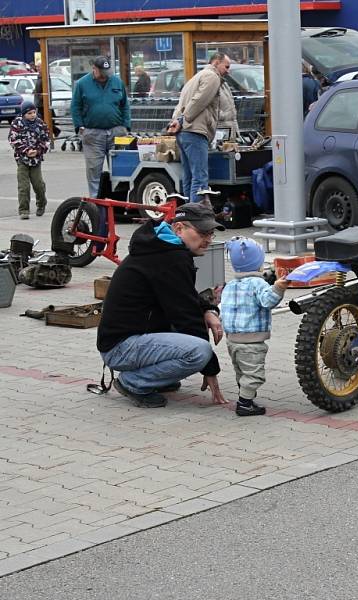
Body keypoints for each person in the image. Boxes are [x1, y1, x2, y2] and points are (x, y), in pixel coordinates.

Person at [96, 203, 227, 409]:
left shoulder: (163, 248)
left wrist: (208, 310)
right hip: (120, 347)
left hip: (125, 340)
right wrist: (209, 367)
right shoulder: (169, 257)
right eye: (202, 233)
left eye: (211, 233)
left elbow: (184, 297)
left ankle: (154, 378)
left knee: (194, 338)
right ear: (178, 229)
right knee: (199, 351)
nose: (208, 240)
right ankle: (133, 382)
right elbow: (186, 317)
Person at [220, 237, 288, 416]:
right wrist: (279, 288)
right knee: (254, 374)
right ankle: (244, 404)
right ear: (258, 265)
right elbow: (268, 301)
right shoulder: (258, 283)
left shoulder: (230, 286)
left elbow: (223, 310)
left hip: (232, 340)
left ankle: (246, 397)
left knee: (242, 371)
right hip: (251, 341)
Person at [167, 53, 231, 203]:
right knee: (200, 178)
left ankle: (188, 214)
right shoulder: (212, 77)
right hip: (195, 131)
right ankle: (196, 218)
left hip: (184, 133)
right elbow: (199, 101)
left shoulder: (196, 77)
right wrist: (184, 119)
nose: (228, 71)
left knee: (188, 176)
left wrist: (176, 121)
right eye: (226, 66)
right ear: (216, 62)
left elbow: (181, 103)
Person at [71, 56, 131, 197]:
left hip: (116, 132)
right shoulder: (82, 84)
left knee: (119, 170)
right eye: (102, 72)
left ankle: (119, 202)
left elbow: (125, 105)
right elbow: (75, 106)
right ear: (94, 69)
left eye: (107, 72)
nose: (105, 75)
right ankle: (96, 204)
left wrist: (126, 126)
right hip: (92, 133)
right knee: (94, 170)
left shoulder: (117, 82)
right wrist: (80, 127)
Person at [8, 101, 49, 219]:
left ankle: (41, 204)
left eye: (34, 112)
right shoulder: (17, 123)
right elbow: (13, 139)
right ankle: (24, 210)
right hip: (22, 160)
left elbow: (45, 139)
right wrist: (26, 151)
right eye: (29, 113)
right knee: (23, 186)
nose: (32, 115)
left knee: (38, 185)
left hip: (36, 160)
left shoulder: (40, 124)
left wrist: (37, 151)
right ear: (24, 114)